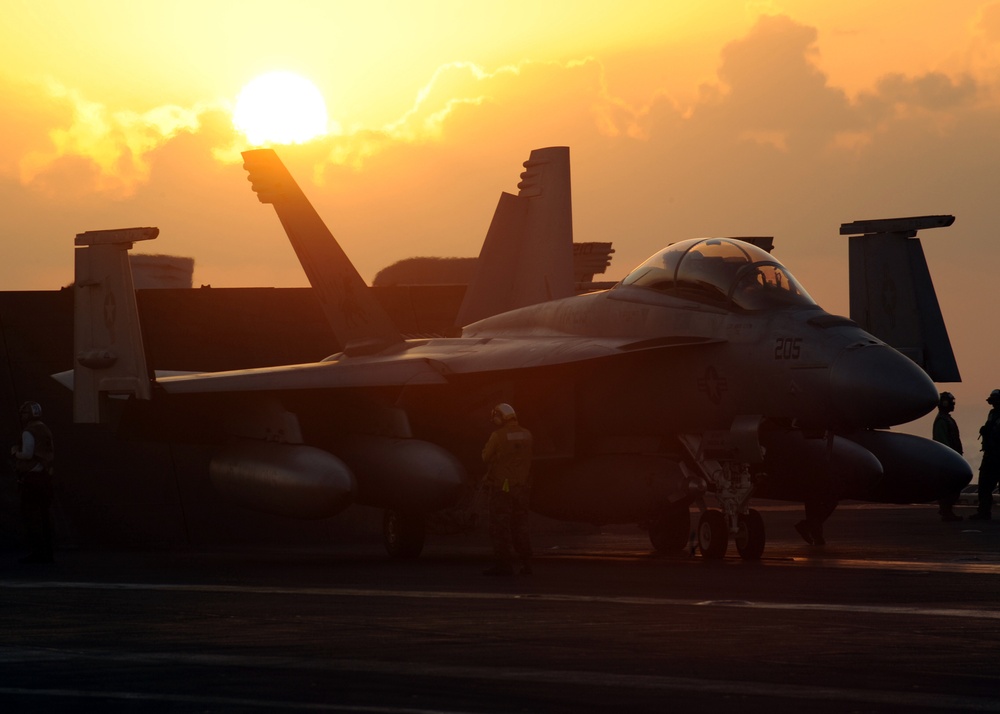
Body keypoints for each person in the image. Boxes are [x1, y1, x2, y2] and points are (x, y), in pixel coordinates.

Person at [481, 403, 533, 576]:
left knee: (499, 526)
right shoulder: (527, 434)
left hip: (502, 487)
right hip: (522, 487)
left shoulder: (498, 435)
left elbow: (485, 457)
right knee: (521, 525)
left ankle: (504, 565)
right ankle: (526, 563)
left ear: (500, 418)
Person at [10, 401, 55, 563]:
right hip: (45, 477)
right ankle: (48, 552)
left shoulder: (28, 431)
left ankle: (37, 553)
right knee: (44, 517)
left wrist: (16, 453)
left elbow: (27, 454)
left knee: (31, 517)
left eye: (23, 413)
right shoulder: (45, 429)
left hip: (32, 480)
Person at [932, 391, 964, 521]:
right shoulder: (942, 420)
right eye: (951, 402)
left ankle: (947, 510)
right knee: (949, 486)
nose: (953, 405)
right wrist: (950, 457)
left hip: (952, 458)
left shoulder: (947, 419)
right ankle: (946, 511)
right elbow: (942, 441)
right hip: (948, 460)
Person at [971, 389, 1000, 521]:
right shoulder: (992, 414)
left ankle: (983, 512)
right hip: (990, 455)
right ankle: (983, 512)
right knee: (984, 486)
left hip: (996, 456)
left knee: (985, 485)